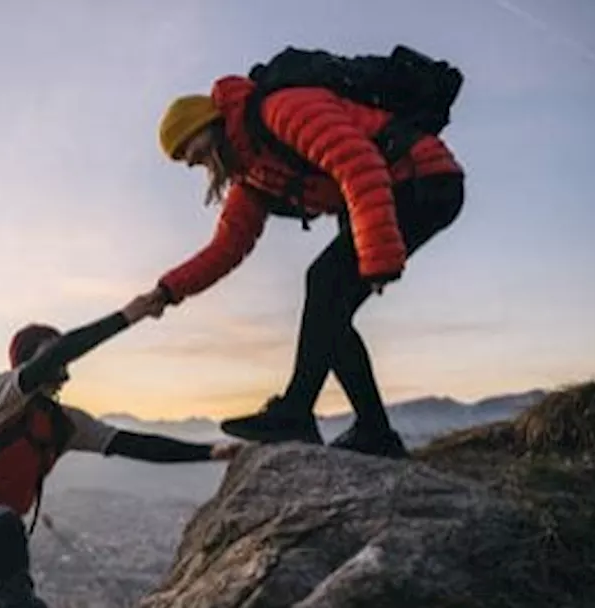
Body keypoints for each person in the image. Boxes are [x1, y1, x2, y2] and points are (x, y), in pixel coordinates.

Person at [142, 65, 466, 458]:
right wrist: (168, 289)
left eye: (186, 149)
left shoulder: (279, 111)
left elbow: (358, 162)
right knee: (331, 309)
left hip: (423, 176)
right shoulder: (252, 174)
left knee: (325, 283)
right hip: (392, 190)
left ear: (206, 124)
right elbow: (226, 249)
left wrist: (378, 259)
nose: (191, 163)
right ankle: (374, 432)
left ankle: (297, 410)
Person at [0, 292, 230, 608]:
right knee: (4, 531)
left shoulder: (63, 424)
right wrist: (127, 316)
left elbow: (130, 443)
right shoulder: (0, 399)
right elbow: (55, 355)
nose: (62, 361)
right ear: (29, 360)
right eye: (53, 352)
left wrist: (209, 452)